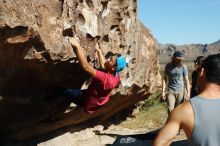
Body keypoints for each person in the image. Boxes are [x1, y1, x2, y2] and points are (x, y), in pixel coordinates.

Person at [153, 54, 220, 146]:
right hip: (172, 91)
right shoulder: (168, 66)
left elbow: (160, 144)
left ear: (202, 72)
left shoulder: (184, 111)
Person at [59, 37, 126, 114]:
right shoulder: (116, 75)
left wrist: (77, 46)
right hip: (93, 95)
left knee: (61, 90)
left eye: (110, 60)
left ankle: (48, 98)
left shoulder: (105, 79)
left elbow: (86, 67)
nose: (108, 60)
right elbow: (104, 66)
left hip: (86, 101)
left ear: (114, 68)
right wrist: (98, 51)